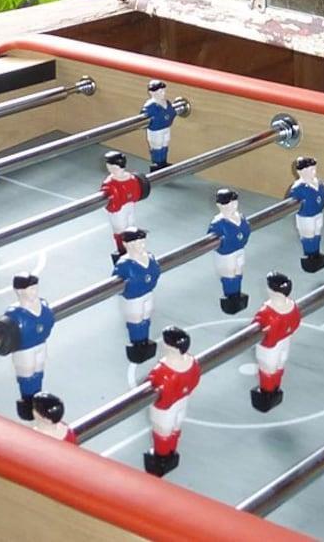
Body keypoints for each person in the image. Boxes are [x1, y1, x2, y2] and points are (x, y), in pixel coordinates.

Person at [0, 273, 55, 421]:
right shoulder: (14, 314)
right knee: (27, 374)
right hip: (25, 350)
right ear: (19, 292)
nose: (34, 292)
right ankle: (28, 403)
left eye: (35, 288)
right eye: (30, 289)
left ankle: (38, 398)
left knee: (39, 371)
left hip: (40, 344)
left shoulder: (43, 305)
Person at [144, 327, 200, 477]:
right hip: (182, 401)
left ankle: (161, 457)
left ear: (171, 347)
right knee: (176, 427)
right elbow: (195, 379)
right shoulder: (192, 362)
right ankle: (171, 452)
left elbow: (156, 386)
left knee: (162, 430)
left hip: (166, 408)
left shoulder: (163, 370)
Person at [250, 272, 301, 413]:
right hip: (285, 341)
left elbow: (257, 326)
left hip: (270, 346)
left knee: (267, 368)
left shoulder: (267, 312)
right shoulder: (292, 306)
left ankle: (266, 392)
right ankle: (275, 388)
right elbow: (296, 322)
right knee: (279, 364)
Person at [112, 229, 162, 362]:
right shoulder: (124, 264)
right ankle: (137, 344)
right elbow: (116, 284)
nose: (141, 245)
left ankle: (144, 340)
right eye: (137, 243)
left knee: (146, 316)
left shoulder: (150, 257)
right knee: (136, 319)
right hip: (133, 299)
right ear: (127, 244)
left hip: (147, 293)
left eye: (142, 242)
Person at [208, 187, 252, 314]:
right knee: (229, 273)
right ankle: (230, 297)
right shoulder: (218, 223)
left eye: (234, 202)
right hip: (227, 254)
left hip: (239, 250)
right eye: (228, 204)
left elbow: (246, 229)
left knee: (239, 270)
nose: (232, 206)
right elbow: (211, 239)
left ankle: (237, 294)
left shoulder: (240, 217)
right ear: (219, 206)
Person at [101, 149, 149, 258]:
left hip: (120, 210)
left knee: (120, 229)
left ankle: (123, 250)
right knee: (129, 226)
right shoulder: (131, 177)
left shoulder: (110, 183)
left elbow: (113, 206)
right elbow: (136, 194)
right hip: (129, 206)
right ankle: (129, 249)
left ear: (112, 166)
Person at [288, 157, 324, 272]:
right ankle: (310, 255)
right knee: (309, 234)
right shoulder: (298, 188)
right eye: (310, 170)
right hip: (306, 216)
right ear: (301, 172)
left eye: (314, 169)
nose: (314, 172)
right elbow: (290, 201)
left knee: (317, 232)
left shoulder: (318, 183)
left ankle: (316, 252)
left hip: (318, 213)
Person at [142, 79, 176, 169]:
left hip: (166, 127)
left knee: (165, 144)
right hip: (156, 131)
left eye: (164, 91)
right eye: (160, 92)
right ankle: (157, 164)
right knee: (157, 146)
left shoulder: (166, 102)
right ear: (152, 93)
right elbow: (144, 117)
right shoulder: (150, 106)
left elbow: (172, 112)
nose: (163, 93)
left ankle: (163, 162)